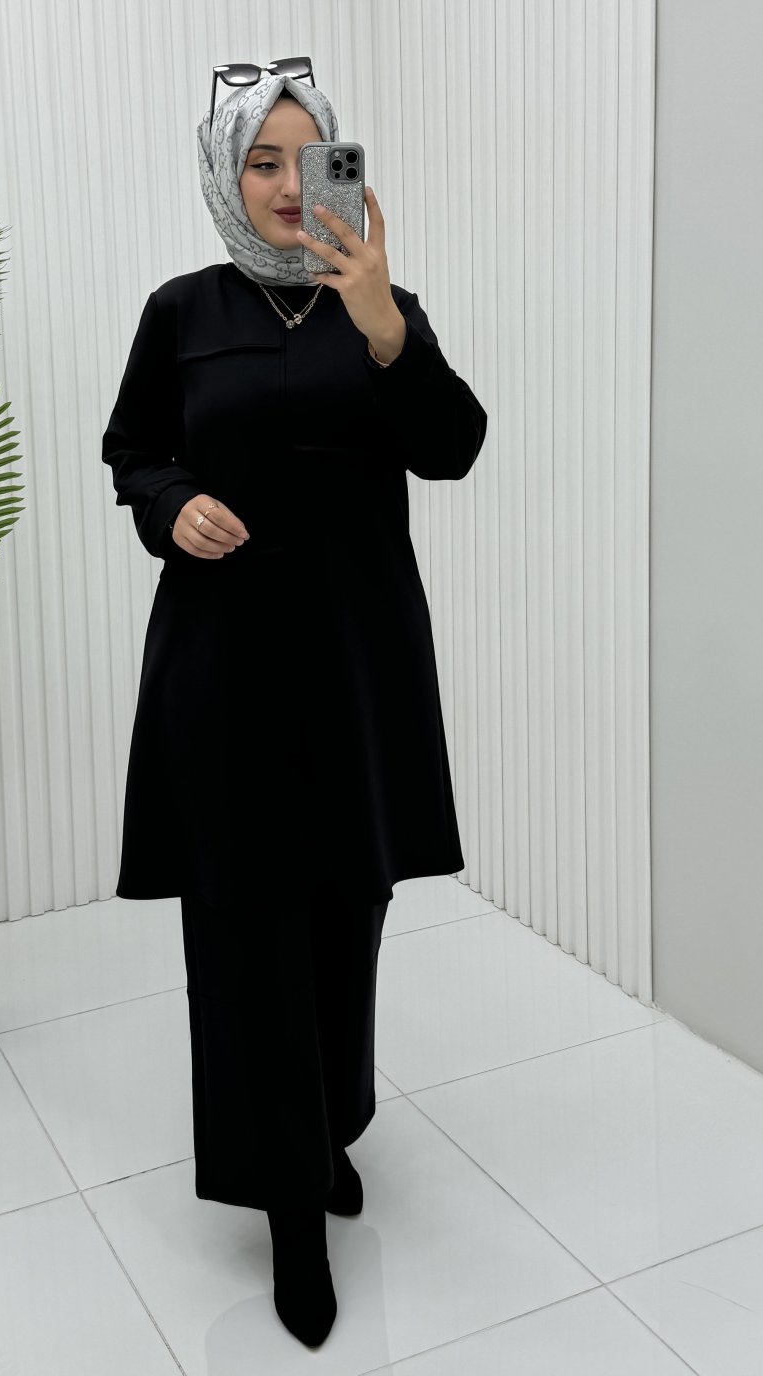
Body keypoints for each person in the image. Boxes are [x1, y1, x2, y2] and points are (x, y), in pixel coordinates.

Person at [101, 69, 487, 1349]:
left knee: (346, 909)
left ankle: (328, 1129)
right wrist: (171, 506)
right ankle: (287, 1207)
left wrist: (383, 327)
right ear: (227, 172)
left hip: (358, 664)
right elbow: (133, 451)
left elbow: (452, 445)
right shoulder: (181, 310)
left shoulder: (383, 309)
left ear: (341, 173)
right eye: (258, 160)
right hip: (224, 667)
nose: (281, 184)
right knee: (247, 928)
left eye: (304, 158)